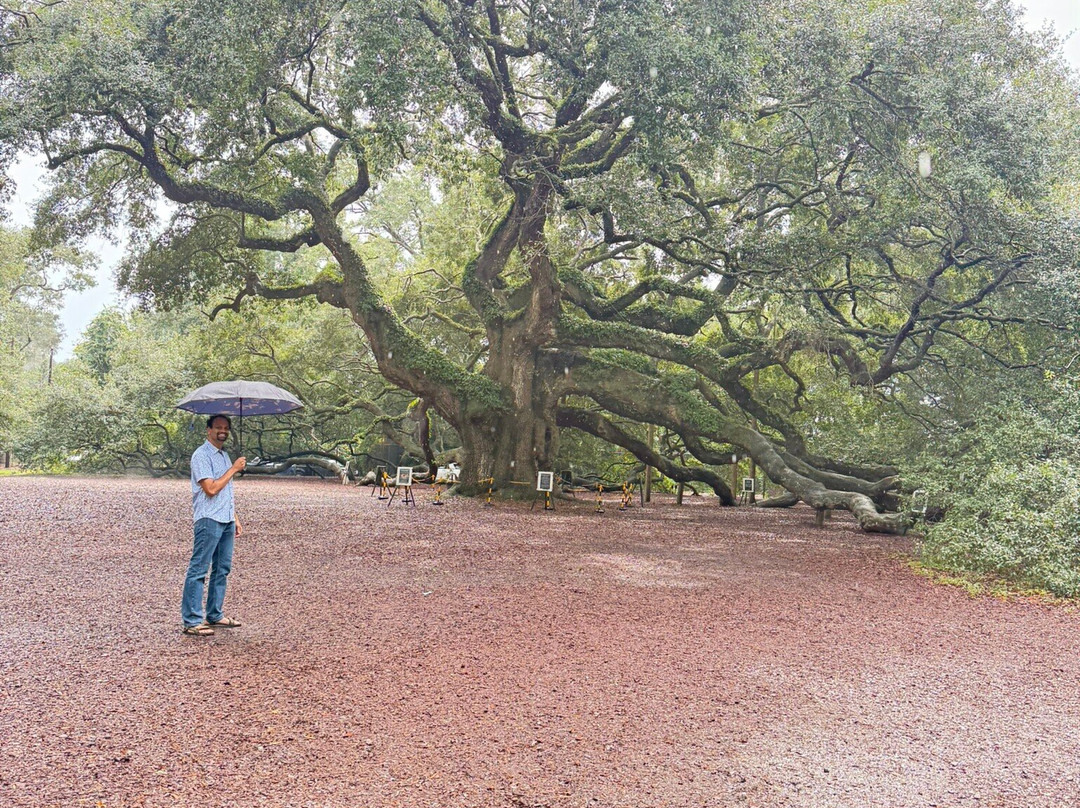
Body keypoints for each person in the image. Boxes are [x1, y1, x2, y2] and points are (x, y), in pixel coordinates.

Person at [181, 414, 246, 636]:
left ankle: (215, 614)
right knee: (199, 568)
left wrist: (234, 516)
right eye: (218, 427)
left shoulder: (224, 455)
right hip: (208, 519)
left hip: (225, 518)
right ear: (208, 430)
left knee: (222, 569)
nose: (223, 431)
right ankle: (192, 620)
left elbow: (226, 490)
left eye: (226, 428)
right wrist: (234, 469)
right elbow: (211, 489)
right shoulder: (201, 455)